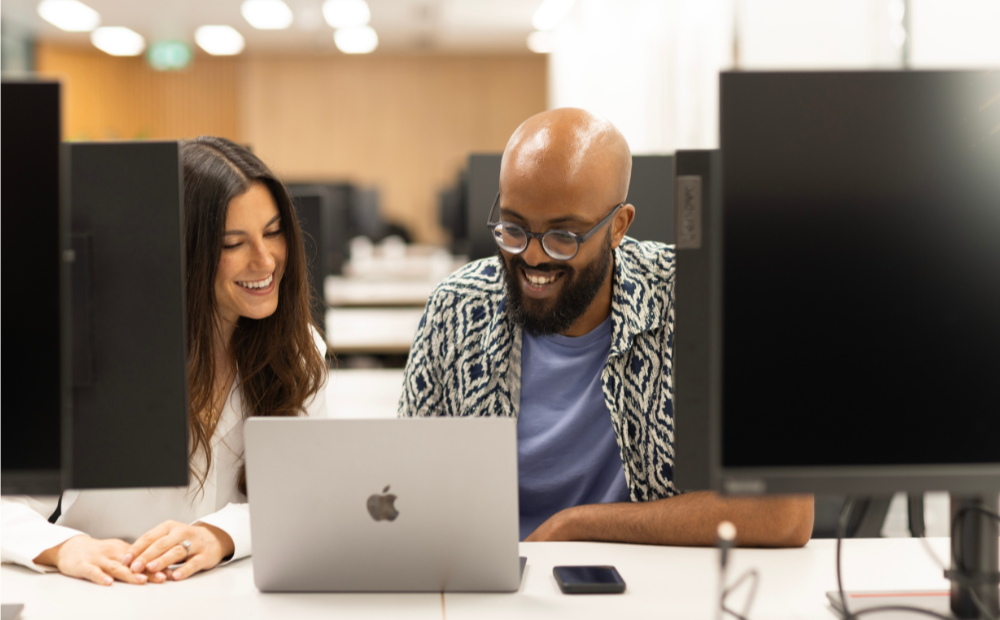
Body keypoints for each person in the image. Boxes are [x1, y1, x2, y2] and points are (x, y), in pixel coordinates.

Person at [399, 108, 814, 546]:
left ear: (618, 227)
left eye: (564, 236)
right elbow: (401, 488)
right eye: (514, 228)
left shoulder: (698, 300)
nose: (534, 257)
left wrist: (575, 526)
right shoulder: (457, 308)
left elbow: (785, 511)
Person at [1, 136, 328, 584]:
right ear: (182, 253)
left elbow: (305, 496)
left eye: (273, 233)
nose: (265, 259)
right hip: (102, 601)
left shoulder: (298, 351)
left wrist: (221, 534)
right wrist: (66, 547)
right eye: (234, 243)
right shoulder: (85, 355)